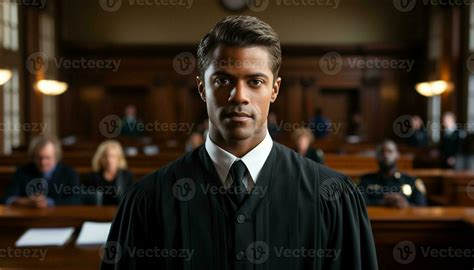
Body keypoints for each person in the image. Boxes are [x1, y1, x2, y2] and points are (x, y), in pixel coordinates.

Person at [102, 16, 378, 270]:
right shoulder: (147, 200)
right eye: (223, 80)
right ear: (202, 88)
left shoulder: (333, 197)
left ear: (274, 89)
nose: (239, 96)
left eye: (255, 81)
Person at [3, 135, 81, 207]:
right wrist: (27, 202)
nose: (43, 162)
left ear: (56, 157)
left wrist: (48, 202)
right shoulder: (22, 171)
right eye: (39, 157)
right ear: (33, 157)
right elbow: (7, 198)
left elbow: (76, 200)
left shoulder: (69, 173)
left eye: (47, 158)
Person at [358, 140, 427, 208]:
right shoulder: (365, 180)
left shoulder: (412, 181)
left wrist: (406, 205)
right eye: (382, 152)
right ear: (376, 156)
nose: (386, 155)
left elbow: (422, 206)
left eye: (390, 151)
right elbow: (359, 203)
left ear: (397, 154)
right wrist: (382, 202)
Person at [84, 140, 134, 205]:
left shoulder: (127, 176)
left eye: (113, 156)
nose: (109, 160)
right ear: (100, 158)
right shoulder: (91, 177)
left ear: (119, 158)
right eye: (105, 156)